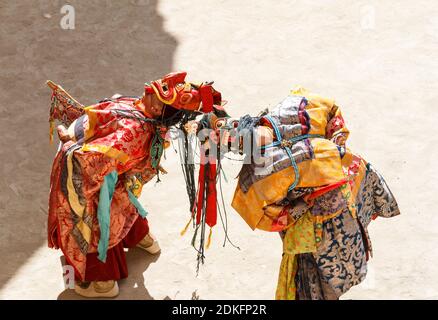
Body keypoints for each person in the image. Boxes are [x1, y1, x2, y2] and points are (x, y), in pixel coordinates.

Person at [201, 86, 400, 300]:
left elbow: (273, 218)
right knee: (331, 275)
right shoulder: (290, 110)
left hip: (322, 227)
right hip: (342, 193)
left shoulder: (257, 176)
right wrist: (334, 155)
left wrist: (306, 197)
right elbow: (333, 113)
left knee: (321, 284)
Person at [47, 72, 223, 298]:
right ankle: (142, 238)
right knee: (124, 203)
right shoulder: (146, 114)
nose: (148, 87)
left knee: (85, 215)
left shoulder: (133, 131)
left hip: (101, 180)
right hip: (119, 181)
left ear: (159, 110)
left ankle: (104, 283)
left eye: (155, 93)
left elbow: (92, 165)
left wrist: (69, 141)